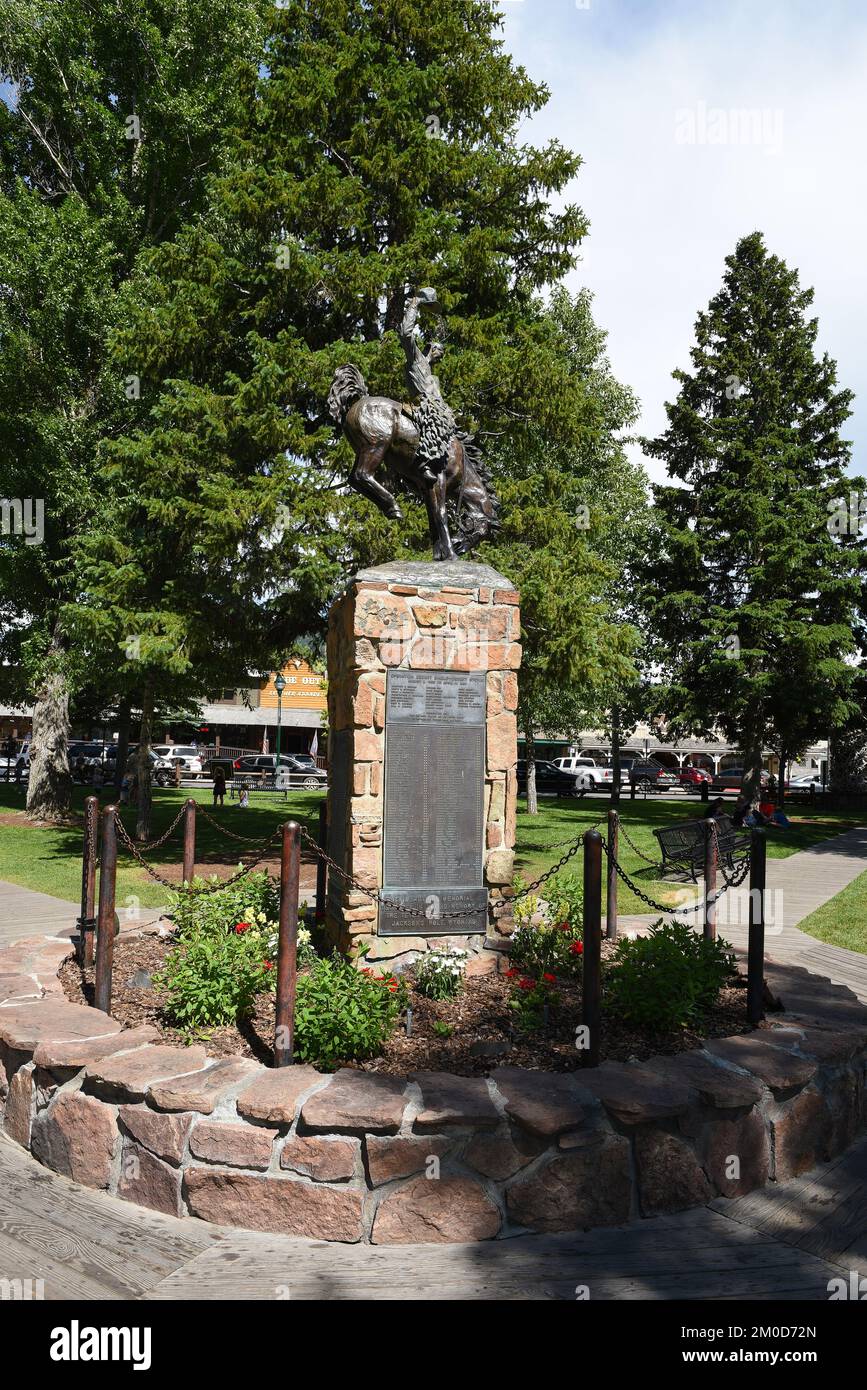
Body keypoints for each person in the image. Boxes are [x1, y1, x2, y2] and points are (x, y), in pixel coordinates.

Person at [399, 289, 456, 487]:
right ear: (432, 348)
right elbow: (406, 334)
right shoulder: (416, 359)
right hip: (423, 406)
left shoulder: (433, 376)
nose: (441, 355)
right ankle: (424, 463)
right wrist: (414, 305)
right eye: (440, 350)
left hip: (436, 408)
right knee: (436, 423)